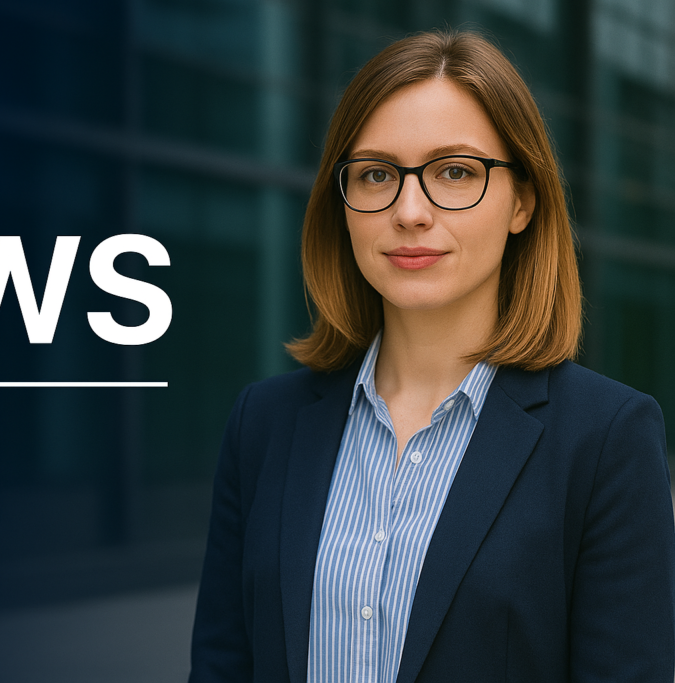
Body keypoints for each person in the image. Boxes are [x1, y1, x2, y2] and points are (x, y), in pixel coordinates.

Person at [189, 29, 675, 683]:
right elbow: (223, 665)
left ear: (522, 201)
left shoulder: (606, 438)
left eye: (455, 171)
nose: (409, 211)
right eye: (376, 174)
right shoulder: (263, 423)